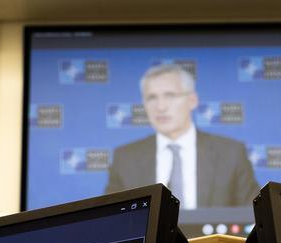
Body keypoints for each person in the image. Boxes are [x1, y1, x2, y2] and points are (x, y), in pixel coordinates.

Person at [104, 63, 259, 208]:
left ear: (192, 100)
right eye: (152, 98)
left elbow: (252, 216)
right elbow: (112, 221)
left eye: (170, 95)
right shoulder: (125, 158)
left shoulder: (231, 153)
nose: (161, 106)